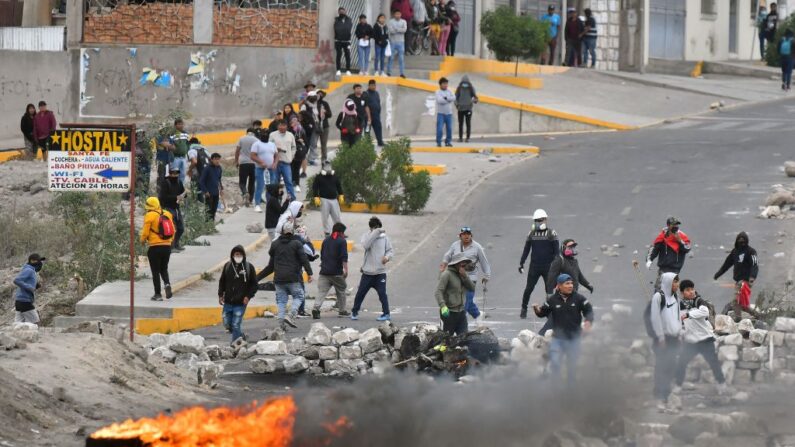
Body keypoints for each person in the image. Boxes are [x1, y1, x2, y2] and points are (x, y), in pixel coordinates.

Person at [533, 274, 594, 385]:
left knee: (572, 366)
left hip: (574, 339)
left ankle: (570, 391)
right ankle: (556, 387)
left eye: (571, 283)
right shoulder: (552, 300)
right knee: (555, 362)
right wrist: (536, 310)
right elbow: (542, 313)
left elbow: (589, 311)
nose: (570, 286)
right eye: (567, 284)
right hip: (558, 339)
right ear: (559, 286)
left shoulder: (579, 298)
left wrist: (588, 322)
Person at [674, 280, 728, 394]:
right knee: (681, 363)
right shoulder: (680, 305)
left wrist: (688, 314)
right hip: (691, 341)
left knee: (713, 363)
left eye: (692, 289)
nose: (691, 292)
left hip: (705, 340)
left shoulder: (698, 301)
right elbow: (680, 322)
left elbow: (705, 312)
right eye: (687, 290)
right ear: (682, 292)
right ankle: (678, 385)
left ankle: (721, 384)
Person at [257, 222, 314, 331]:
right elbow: (304, 259)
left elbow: (270, 266)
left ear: (282, 231)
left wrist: (256, 278)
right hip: (293, 277)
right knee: (299, 296)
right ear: (292, 232)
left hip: (278, 279)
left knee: (281, 301)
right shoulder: (297, 244)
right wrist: (310, 273)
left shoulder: (275, 245)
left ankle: (281, 325)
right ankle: (291, 315)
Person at [440, 226, 491, 321]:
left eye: (468, 234)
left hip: (471, 278)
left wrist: (486, 276)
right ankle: (478, 315)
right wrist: (444, 264)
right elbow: (448, 255)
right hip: (456, 277)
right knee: (464, 300)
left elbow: (484, 262)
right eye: (464, 234)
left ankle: (462, 325)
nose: (466, 236)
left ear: (471, 235)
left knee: (466, 301)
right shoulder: (455, 245)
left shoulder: (477, 247)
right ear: (460, 236)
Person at [351, 217, 395, 321]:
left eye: (378, 229)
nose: (377, 232)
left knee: (382, 294)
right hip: (367, 273)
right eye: (374, 229)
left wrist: (387, 257)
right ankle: (354, 312)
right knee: (360, 293)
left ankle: (386, 314)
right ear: (371, 228)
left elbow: (390, 251)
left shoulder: (385, 238)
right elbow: (366, 245)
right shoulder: (366, 237)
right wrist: (375, 233)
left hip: (380, 273)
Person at [649, 272, 682, 410]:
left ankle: (665, 392)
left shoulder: (675, 297)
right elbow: (655, 318)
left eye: (678, 281)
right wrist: (660, 337)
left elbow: (678, 316)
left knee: (671, 365)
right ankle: (661, 395)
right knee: (662, 366)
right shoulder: (658, 297)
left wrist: (680, 333)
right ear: (668, 282)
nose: (677, 284)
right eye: (675, 282)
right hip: (663, 339)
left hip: (674, 338)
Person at [518, 208, 559, 319]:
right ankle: (524, 308)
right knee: (529, 288)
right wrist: (521, 263)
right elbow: (526, 250)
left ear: (545, 220)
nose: (539, 222)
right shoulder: (531, 233)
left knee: (549, 291)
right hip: (534, 267)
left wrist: (557, 266)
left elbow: (557, 252)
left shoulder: (552, 233)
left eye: (541, 220)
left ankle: (549, 312)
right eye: (536, 220)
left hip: (548, 267)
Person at [714, 232, 760, 321]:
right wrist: (718, 274)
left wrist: (752, 277)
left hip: (745, 281)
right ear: (737, 241)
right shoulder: (735, 252)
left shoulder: (751, 251)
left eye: (743, 240)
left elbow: (755, 264)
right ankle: (758, 316)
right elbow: (727, 264)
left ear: (747, 241)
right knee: (742, 304)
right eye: (740, 240)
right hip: (738, 281)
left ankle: (738, 320)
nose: (741, 242)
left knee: (736, 301)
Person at [218, 245, 258, 344]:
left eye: (240, 254)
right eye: (236, 254)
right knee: (227, 323)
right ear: (232, 255)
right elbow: (222, 281)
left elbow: (254, 284)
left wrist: (248, 296)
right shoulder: (227, 266)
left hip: (241, 302)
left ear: (243, 255)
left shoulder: (249, 267)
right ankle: (241, 336)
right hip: (228, 301)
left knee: (236, 324)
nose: (238, 256)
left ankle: (234, 345)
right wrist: (220, 294)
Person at [312, 222, 350, 319]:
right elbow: (344, 257)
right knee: (341, 290)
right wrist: (345, 270)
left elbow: (322, 254)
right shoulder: (342, 241)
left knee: (322, 292)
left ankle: (316, 308)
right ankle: (342, 310)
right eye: (343, 232)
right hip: (336, 272)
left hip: (324, 272)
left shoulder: (326, 240)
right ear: (341, 232)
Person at [140, 197, 174, 301]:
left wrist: (142, 241)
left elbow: (145, 233)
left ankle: (158, 294)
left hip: (154, 248)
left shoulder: (149, 216)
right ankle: (167, 284)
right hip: (167, 247)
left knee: (155, 271)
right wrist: (169, 241)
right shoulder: (167, 214)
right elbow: (173, 230)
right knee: (163, 268)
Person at [436, 253, 476, 335]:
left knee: (464, 338)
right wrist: (442, 306)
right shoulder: (447, 274)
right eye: (462, 264)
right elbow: (438, 291)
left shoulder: (463, 275)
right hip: (449, 313)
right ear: (456, 264)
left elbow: (472, 288)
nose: (464, 266)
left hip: (461, 312)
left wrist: (465, 276)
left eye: (465, 263)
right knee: (446, 340)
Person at [646, 216, 691, 288]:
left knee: (672, 289)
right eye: (673, 224)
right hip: (663, 269)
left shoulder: (682, 236)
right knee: (659, 288)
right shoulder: (662, 236)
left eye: (677, 225)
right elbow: (655, 249)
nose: (675, 226)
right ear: (668, 225)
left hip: (675, 269)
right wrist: (649, 260)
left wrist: (680, 241)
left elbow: (687, 248)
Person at [312, 161, 344, 236]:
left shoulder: (334, 176)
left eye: (329, 165)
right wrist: (316, 197)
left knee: (337, 217)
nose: (328, 167)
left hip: (334, 200)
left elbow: (339, 186)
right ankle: (327, 232)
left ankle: (339, 232)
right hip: (324, 199)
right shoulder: (319, 177)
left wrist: (341, 195)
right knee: (325, 217)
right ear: (323, 167)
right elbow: (315, 188)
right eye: (326, 165)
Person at [158, 167, 186, 252]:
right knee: (171, 228)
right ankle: (171, 247)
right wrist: (175, 197)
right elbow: (163, 197)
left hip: (176, 208)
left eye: (176, 173)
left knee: (181, 228)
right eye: (173, 173)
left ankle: (176, 244)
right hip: (167, 208)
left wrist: (183, 196)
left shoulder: (179, 182)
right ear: (170, 174)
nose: (175, 175)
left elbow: (183, 192)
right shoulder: (165, 183)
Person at [269, 119, 297, 199]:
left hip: (286, 162)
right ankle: (276, 199)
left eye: (284, 126)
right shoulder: (272, 135)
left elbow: (294, 147)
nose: (282, 128)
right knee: (275, 182)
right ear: (278, 126)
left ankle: (292, 199)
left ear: (287, 126)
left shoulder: (290, 135)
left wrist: (291, 156)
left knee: (288, 182)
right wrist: (275, 149)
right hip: (275, 163)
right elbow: (268, 147)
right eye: (280, 126)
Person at [13, 253, 45, 324]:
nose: (41, 263)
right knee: (35, 322)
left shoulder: (30, 270)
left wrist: (36, 286)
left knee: (18, 325)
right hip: (24, 301)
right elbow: (17, 280)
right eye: (39, 261)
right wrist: (30, 287)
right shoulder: (29, 270)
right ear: (32, 261)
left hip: (19, 301)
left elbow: (25, 282)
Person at [250, 134, 278, 213]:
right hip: (260, 169)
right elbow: (252, 156)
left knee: (271, 187)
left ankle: (270, 204)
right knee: (260, 186)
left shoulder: (272, 144)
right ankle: (257, 205)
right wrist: (261, 162)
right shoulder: (256, 144)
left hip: (271, 169)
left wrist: (275, 163)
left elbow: (276, 155)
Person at [236, 128, 258, 207]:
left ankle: (245, 193)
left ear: (247, 132)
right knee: (252, 183)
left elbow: (237, 150)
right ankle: (250, 200)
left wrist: (236, 161)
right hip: (254, 164)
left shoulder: (241, 138)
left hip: (243, 163)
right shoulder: (256, 140)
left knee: (242, 182)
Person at [199, 153, 223, 221]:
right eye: (215, 159)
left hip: (216, 192)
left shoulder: (219, 168)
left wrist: (221, 188)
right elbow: (201, 181)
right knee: (208, 211)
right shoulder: (207, 168)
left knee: (214, 210)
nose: (217, 161)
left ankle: (211, 226)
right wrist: (205, 191)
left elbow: (219, 179)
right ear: (212, 159)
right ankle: (207, 226)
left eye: (218, 159)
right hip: (209, 193)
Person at [288, 116, 309, 194]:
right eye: (292, 121)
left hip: (300, 152)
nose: (294, 122)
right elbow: (288, 140)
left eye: (295, 121)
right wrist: (297, 140)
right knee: (291, 167)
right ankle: (292, 181)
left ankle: (297, 183)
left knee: (297, 168)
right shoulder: (289, 131)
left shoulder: (301, 130)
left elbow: (306, 141)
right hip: (291, 151)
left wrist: (305, 150)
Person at [300, 90, 321, 166]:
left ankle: (311, 159)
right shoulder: (304, 106)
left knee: (314, 143)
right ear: (308, 98)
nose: (314, 98)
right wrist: (307, 124)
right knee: (307, 143)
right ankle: (303, 159)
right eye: (312, 97)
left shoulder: (316, 106)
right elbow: (301, 116)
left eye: (314, 97)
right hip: (307, 127)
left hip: (316, 125)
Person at [454, 75, 478, 143]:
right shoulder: (459, 88)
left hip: (468, 109)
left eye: (466, 83)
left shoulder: (471, 88)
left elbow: (476, 98)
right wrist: (457, 105)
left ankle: (468, 138)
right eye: (463, 83)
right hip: (460, 109)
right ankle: (460, 138)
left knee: (468, 123)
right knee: (460, 124)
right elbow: (455, 97)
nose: (465, 84)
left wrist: (474, 101)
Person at [167, 118, 190, 185]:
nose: (181, 125)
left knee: (182, 174)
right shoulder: (172, 134)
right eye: (179, 124)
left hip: (183, 158)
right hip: (175, 158)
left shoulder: (185, 134)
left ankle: (180, 189)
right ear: (175, 125)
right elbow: (170, 145)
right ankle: (173, 189)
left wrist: (187, 153)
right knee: (174, 174)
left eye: (182, 124)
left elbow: (187, 144)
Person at [435, 77, 455, 147]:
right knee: (439, 129)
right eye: (444, 84)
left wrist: (446, 98)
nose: (446, 85)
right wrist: (448, 100)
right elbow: (440, 101)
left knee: (449, 129)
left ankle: (448, 141)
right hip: (441, 114)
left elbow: (454, 98)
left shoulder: (450, 91)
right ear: (440, 84)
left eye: (446, 84)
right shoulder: (438, 92)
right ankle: (438, 142)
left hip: (449, 113)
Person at [387, 9, 408, 78]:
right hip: (392, 42)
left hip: (401, 42)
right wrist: (399, 29)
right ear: (394, 14)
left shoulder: (403, 21)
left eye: (399, 14)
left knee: (401, 58)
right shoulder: (390, 21)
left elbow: (404, 30)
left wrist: (396, 29)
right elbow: (391, 31)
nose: (398, 15)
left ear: (401, 14)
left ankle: (402, 73)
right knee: (391, 57)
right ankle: (389, 72)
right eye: (396, 14)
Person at [315, 91, 333, 165]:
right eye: (318, 94)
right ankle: (313, 159)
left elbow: (330, 114)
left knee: (324, 144)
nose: (320, 95)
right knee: (314, 144)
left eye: (321, 94)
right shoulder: (313, 104)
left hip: (325, 126)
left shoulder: (325, 104)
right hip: (315, 126)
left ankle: (324, 158)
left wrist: (325, 112)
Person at [334, 7, 353, 76]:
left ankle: (348, 70)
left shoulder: (349, 19)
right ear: (338, 12)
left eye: (343, 11)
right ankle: (338, 70)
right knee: (339, 55)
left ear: (346, 12)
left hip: (347, 41)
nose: (342, 12)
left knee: (347, 55)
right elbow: (336, 28)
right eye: (340, 11)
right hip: (338, 41)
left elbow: (349, 28)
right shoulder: (336, 20)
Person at [365, 79, 385, 147]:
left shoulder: (376, 93)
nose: (374, 87)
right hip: (368, 116)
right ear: (369, 85)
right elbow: (366, 105)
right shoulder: (366, 93)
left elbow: (378, 103)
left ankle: (380, 141)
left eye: (374, 85)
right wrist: (368, 117)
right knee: (367, 130)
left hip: (376, 115)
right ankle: (367, 143)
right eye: (372, 85)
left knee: (378, 128)